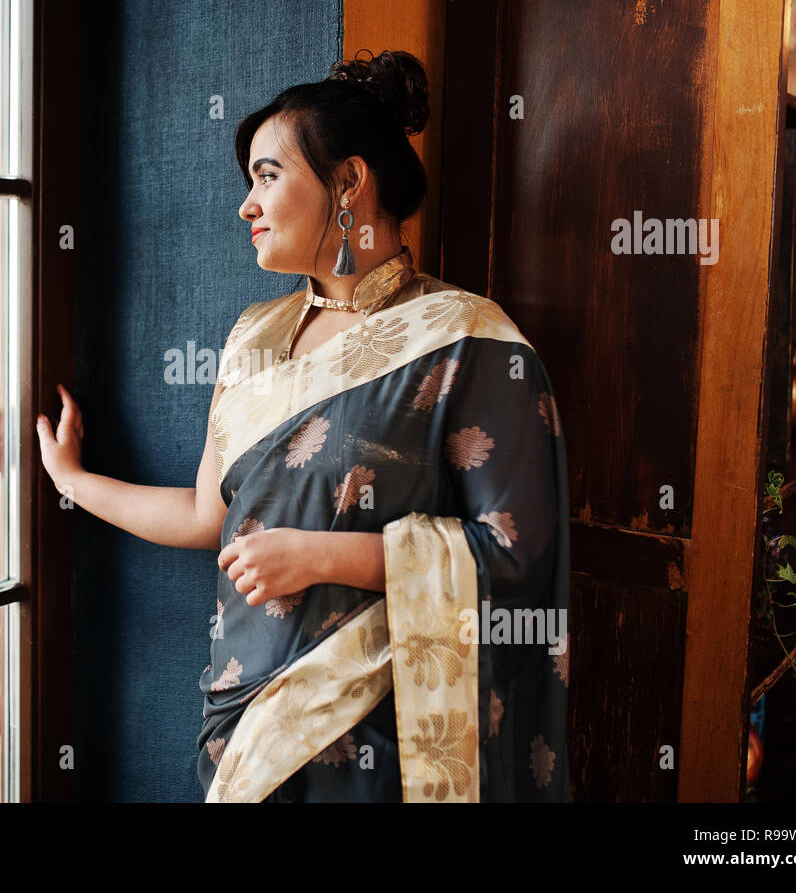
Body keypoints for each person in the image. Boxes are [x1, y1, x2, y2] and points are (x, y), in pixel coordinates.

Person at [36, 49, 570, 803]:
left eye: (267, 175)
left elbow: (516, 553)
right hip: (243, 722)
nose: (246, 206)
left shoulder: (468, 339)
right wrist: (74, 480)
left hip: (382, 741)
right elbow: (203, 516)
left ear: (349, 182)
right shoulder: (254, 336)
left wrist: (323, 554)